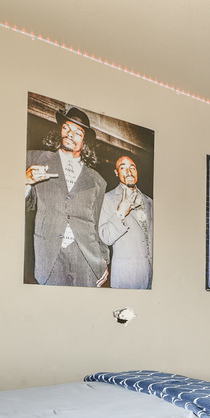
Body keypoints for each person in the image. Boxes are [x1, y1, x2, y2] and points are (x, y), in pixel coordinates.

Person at [25, 106, 109, 287]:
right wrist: (25, 181)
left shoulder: (98, 181)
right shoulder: (34, 159)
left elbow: (97, 223)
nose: (70, 134)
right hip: (48, 256)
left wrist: (104, 261)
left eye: (78, 132)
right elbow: (23, 206)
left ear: (84, 140)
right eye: (66, 128)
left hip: (87, 258)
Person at [98, 155, 153, 289]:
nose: (129, 172)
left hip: (152, 278)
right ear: (117, 173)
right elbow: (105, 237)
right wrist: (120, 213)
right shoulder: (107, 199)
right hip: (127, 278)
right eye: (123, 168)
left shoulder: (150, 202)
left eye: (132, 168)